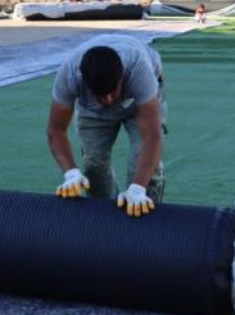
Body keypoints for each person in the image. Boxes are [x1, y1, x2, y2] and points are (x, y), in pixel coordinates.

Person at [46, 34, 166, 217]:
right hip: (93, 110)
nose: (109, 101)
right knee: (93, 167)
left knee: (146, 172)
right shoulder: (69, 75)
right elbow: (56, 129)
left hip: (138, 102)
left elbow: (152, 135)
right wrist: (70, 172)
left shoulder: (138, 69)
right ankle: (104, 220)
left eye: (112, 93)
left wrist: (138, 188)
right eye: (101, 95)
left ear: (122, 78)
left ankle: (146, 220)